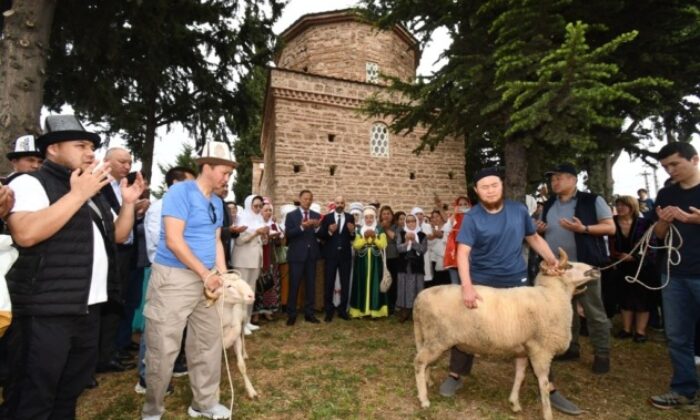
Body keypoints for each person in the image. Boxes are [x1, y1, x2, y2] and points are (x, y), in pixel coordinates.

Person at [2, 115, 143, 419]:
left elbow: (117, 236)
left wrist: (129, 202)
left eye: (92, 146)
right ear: (52, 149)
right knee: (32, 397)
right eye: (81, 145)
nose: (91, 153)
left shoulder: (88, 188)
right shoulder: (30, 182)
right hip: (44, 311)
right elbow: (25, 233)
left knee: (69, 392)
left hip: (87, 309)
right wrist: (78, 195)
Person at [439, 166, 581, 416]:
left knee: (537, 334)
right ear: (476, 190)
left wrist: (552, 260)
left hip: (516, 280)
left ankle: (550, 388)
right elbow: (463, 253)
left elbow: (533, 238)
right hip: (482, 282)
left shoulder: (518, 210)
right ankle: (455, 374)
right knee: (466, 326)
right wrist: (467, 287)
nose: (490, 190)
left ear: (502, 186)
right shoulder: (472, 217)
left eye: (494, 185)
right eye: (484, 186)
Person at [142, 140, 234, 419]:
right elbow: (173, 240)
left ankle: (204, 404)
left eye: (230, 174)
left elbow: (216, 241)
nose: (227, 179)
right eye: (224, 172)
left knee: (208, 344)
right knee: (163, 346)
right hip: (174, 279)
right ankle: (152, 411)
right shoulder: (180, 192)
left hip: (207, 280)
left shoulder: (218, 203)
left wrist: (222, 275)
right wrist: (205, 274)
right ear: (206, 167)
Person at [536, 162, 615, 374]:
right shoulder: (549, 203)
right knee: (565, 310)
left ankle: (602, 353)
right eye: (552, 179)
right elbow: (542, 232)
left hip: (585, 266)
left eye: (559, 178)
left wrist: (584, 228)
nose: (554, 182)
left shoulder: (592, 200)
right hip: (558, 268)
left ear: (573, 179)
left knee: (594, 311)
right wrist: (540, 229)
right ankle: (571, 348)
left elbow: (610, 227)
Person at [648, 142, 700, 409]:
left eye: (675, 164)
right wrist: (665, 222)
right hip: (674, 274)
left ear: (695, 159)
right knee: (677, 336)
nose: (670, 170)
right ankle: (684, 389)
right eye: (665, 166)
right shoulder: (666, 193)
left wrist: (695, 220)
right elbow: (658, 235)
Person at [136, 166, 195, 394]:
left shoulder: (188, 208)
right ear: (174, 184)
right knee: (157, 325)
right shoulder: (160, 207)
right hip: (163, 272)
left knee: (179, 323)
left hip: (184, 273)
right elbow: (157, 243)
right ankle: (147, 378)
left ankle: (175, 363)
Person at [97, 147, 142, 373]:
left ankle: (114, 350)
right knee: (110, 305)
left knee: (122, 302)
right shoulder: (99, 185)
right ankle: (103, 356)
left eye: (129, 162)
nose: (127, 166)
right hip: (109, 253)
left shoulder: (120, 187)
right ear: (107, 161)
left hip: (126, 252)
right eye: (122, 161)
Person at [609, 195, 658, 343]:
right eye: (618, 205)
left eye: (624, 205)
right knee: (624, 297)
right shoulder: (611, 223)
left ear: (632, 207)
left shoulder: (645, 223)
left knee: (643, 298)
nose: (620, 208)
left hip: (643, 267)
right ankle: (626, 329)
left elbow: (652, 244)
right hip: (619, 265)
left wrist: (635, 257)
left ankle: (640, 331)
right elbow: (607, 243)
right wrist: (617, 256)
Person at [284, 189, 322, 325]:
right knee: (294, 285)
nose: (308, 201)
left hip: (311, 255)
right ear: (300, 199)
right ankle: (291, 314)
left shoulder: (317, 215)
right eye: (305, 199)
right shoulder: (291, 216)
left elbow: (321, 235)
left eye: (310, 199)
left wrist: (317, 228)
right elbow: (288, 233)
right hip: (296, 256)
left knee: (310, 285)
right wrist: (301, 227)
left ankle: (309, 313)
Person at [232, 194, 267, 333]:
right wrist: (255, 233)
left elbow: (261, 242)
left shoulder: (259, 218)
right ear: (249, 205)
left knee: (251, 292)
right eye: (255, 206)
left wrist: (264, 235)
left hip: (255, 260)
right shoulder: (242, 218)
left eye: (260, 206)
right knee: (241, 292)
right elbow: (239, 241)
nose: (258, 209)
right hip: (242, 260)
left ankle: (247, 321)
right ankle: (239, 324)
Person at [318, 195, 355, 322]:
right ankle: (329, 311)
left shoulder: (350, 217)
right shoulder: (327, 218)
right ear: (334, 204)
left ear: (345, 205)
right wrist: (329, 230)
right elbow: (321, 235)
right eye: (337, 203)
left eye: (342, 203)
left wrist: (352, 232)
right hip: (330, 255)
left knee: (345, 283)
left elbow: (352, 238)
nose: (339, 205)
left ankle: (342, 310)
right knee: (329, 283)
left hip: (345, 256)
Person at [349, 206, 388, 318]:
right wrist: (365, 238)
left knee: (375, 283)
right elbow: (356, 246)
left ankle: (375, 311)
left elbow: (383, 244)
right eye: (366, 217)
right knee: (361, 283)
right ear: (363, 218)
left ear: (374, 218)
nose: (369, 220)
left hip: (376, 262)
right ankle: (360, 311)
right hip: (362, 261)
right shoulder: (359, 230)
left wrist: (374, 238)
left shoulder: (379, 229)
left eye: (371, 217)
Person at [253, 201, 284, 322]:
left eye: (270, 210)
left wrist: (276, 237)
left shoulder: (274, 225)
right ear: (260, 212)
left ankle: (268, 311)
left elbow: (279, 243)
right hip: (259, 258)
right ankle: (255, 313)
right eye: (265, 210)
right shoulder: (256, 223)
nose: (268, 212)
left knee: (271, 284)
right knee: (258, 285)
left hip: (271, 258)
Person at [395, 213, 427, 322]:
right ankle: (405, 311)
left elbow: (422, 250)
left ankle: (417, 312)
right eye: (408, 221)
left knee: (417, 288)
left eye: (413, 221)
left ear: (416, 222)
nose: (410, 223)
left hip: (416, 266)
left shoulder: (422, 235)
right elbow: (398, 249)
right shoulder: (401, 233)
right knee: (403, 288)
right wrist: (406, 242)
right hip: (404, 265)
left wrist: (413, 242)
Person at [443, 196, 470, 285]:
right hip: (454, 249)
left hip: (469, 248)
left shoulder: (473, 217)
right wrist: (454, 214)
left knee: (468, 280)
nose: (462, 206)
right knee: (455, 283)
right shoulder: (453, 217)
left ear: (469, 205)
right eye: (460, 204)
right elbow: (446, 229)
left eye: (465, 204)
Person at [379, 205, 399, 315]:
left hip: (393, 257)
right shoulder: (377, 226)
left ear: (392, 215)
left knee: (392, 282)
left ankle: (392, 306)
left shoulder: (396, 227)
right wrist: (380, 228)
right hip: (381, 258)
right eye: (384, 213)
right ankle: (382, 304)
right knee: (381, 281)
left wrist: (386, 228)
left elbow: (395, 238)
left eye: (388, 213)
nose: (386, 215)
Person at [427, 210, 449, 286]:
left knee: (445, 282)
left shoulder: (447, 228)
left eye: (437, 216)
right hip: (433, 259)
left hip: (445, 259)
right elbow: (428, 243)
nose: (435, 218)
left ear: (441, 217)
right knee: (435, 282)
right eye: (433, 217)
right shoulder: (429, 229)